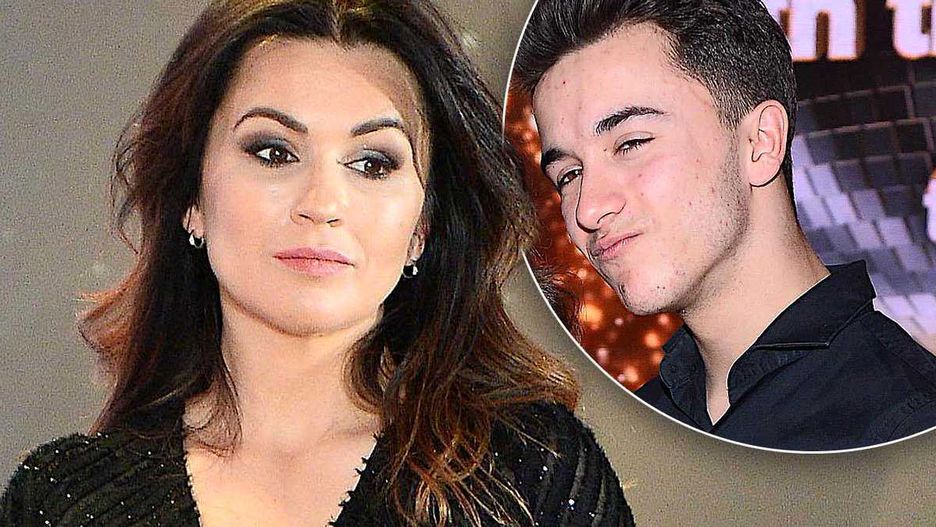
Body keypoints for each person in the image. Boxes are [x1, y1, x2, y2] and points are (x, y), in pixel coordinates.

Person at [0, 1, 635, 525]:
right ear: (191, 196)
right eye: (274, 153)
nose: (323, 204)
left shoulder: (530, 473)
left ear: (423, 228)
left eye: (373, 163)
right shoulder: (61, 500)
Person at [513, 0, 936, 451]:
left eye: (631, 144)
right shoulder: (622, 440)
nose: (587, 209)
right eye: (569, 175)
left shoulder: (904, 430)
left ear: (760, 143)